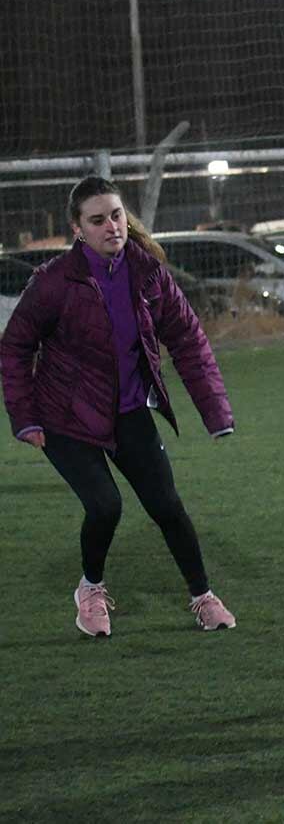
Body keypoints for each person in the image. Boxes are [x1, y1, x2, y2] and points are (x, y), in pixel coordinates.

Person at [0, 176, 238, 636]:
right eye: (97, 220)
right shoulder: (53, 283)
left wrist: (216, 413)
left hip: (129, 412)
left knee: (167, 506)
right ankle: (90, 590)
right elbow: (14, 349)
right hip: (65, 418)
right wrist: (24, 417)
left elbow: (188, 340)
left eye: (116, 215)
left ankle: (203, 597)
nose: (112, 226)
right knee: (105, 505)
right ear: (77, 229)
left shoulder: (149, 274)